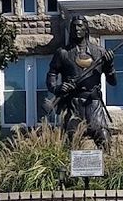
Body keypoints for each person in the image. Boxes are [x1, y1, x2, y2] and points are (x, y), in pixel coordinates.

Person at [45, 16, 116, 148]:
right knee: (71, 144)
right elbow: (52, 74)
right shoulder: (63, 53)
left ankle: (107, 168)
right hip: (73, 104)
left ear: (86, 29)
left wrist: (110, 65)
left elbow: (112, 82)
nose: (76, 29)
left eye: (80, 26)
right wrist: (57, 88)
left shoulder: (100, 52)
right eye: (73, 27)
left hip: (94, 104)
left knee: (105, 140)